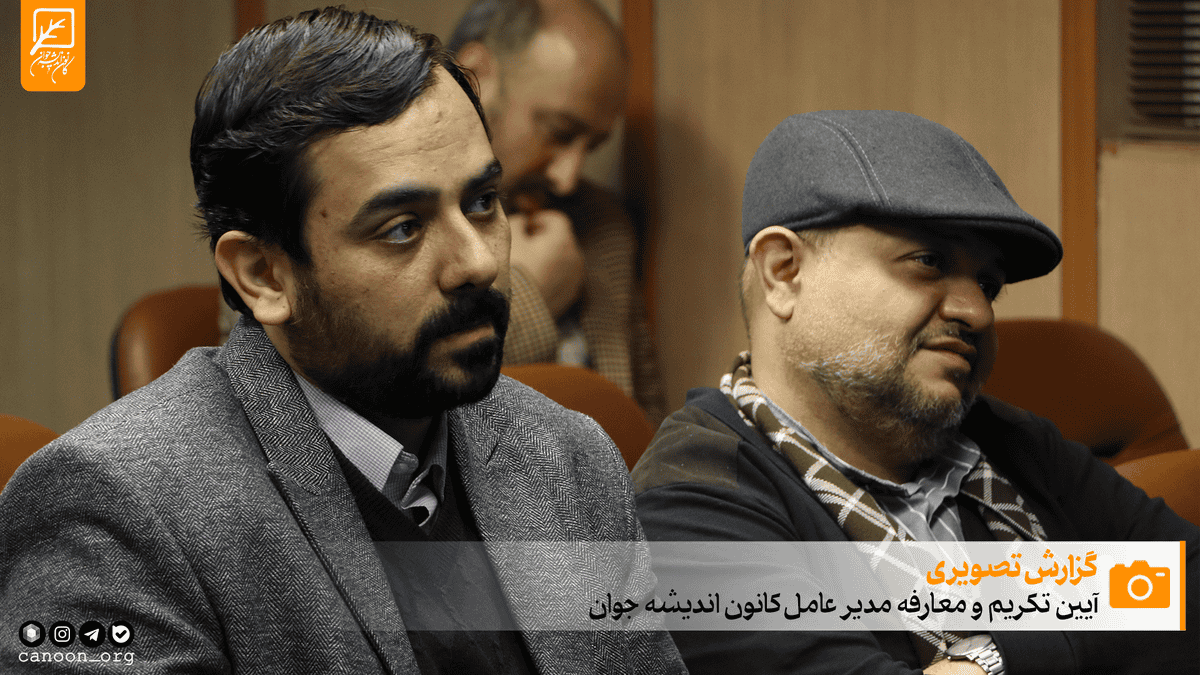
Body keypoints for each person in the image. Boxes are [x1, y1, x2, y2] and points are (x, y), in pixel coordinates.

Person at [0, 9, 683, 673]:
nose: (478, 262)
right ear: (264, 274)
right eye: (402, 228)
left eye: (481, 203)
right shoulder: (118, 508)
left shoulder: (570, 458)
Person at [633, 110, 1199, 674]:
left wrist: (987, 660)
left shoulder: (1005, 441)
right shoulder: (691, 501)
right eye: (928, 262)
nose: (978, 312)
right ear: (784, 272)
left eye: (988, 284)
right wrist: (1095, 609)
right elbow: (1158, 596)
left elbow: (1189, 578)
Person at [447, 0, 667, 425]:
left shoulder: (603, 227)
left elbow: (646, 420)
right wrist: (529, 301)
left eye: (592, 146)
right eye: (559, 132)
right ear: (475, 77)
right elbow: (383, 406)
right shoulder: (396, 224)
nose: (567, 178)